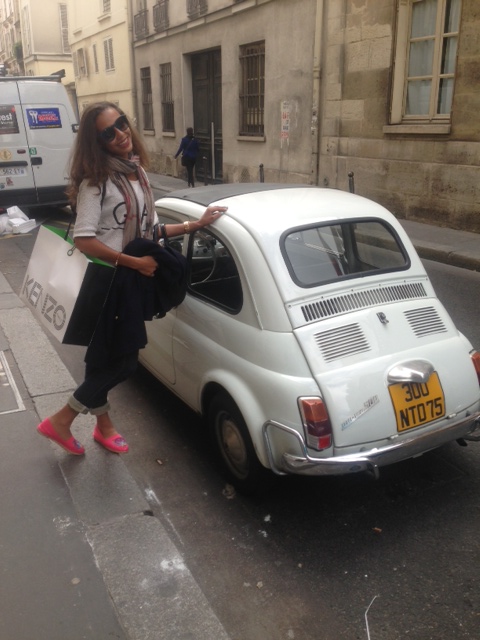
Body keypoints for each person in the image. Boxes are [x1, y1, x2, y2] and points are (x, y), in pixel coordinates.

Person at [37, 102, 226, 456]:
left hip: (127, 283)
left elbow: (149, 231)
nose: (120, 134)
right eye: (108, 133)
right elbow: (84, 239)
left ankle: (103, 427)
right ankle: (61, 420)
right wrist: (134, 263)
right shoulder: (97, 183)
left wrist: (195, 225)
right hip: (108, 284)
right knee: (124, 362)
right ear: (98, 142)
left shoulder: (136, 173)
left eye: (121, 124)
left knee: (99, 359)